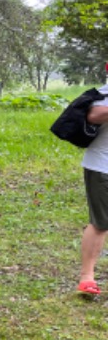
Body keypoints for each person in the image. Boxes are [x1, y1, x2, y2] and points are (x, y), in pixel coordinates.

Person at [79, 68, 108, 295]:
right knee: (101, 223)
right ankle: (87, 277)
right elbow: (94, 115)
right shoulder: (104, 93)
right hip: (102, 168)